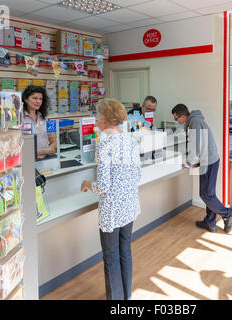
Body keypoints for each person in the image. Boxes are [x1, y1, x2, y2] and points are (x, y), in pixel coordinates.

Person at [81, 98, 141, 300]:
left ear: (105, 119)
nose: (96, 119)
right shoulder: (131, 141)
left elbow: (103, 187)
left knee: (111, 258)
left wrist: (88, 184)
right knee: (125, 251)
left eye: (98, 115)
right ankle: (126, 297)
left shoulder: (105, 146)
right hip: (130, 207)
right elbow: (137, 175)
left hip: (112, 212)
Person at [171, 103, 232, 234]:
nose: (176, 121)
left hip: (209, 161)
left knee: (205, 194)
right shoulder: (194, 120)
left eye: (176, 118)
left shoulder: (194, 122)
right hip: (209, 160)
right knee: (209, 193)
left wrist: (189, 163)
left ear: (183, 116)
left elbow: (196, 144)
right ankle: (210, 222)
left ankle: (227, 213)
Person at [22, 85, 57, 159]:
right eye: (34, 98)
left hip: (47, 159)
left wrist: (46, 151)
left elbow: (54, 141)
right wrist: (45, 151)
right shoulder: (19, 119)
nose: (38, 101)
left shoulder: (46, 118)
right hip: (28, 160)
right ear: (26, 99)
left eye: (40, 99)